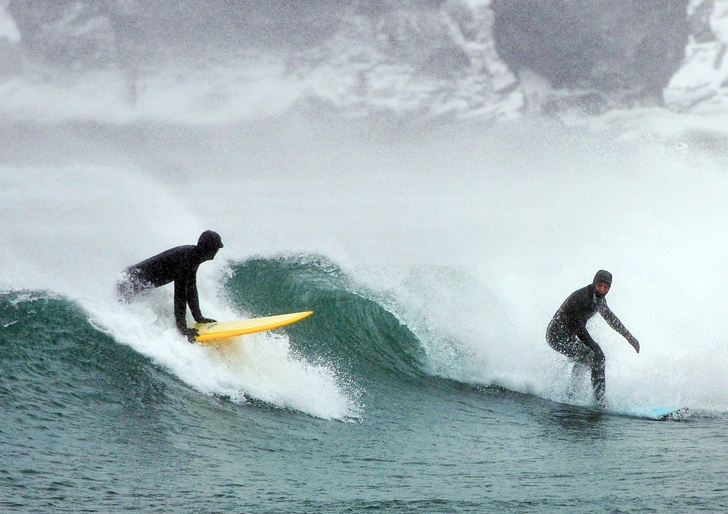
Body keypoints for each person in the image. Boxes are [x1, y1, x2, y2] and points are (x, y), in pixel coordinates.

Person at [546, 270, 639, 406]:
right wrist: (595, 347)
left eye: (605, 287)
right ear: (594, 283)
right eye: (599, 285)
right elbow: (579, 328)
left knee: (593, 356)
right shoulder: (582, 297)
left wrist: (629, 338)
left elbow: (611, 319)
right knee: (593, 354)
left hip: (569, 336)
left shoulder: (599, 299)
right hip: (556, 335)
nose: (602, 289)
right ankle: (593, 399)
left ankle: (582, 395)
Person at [118, 230, 224, 342]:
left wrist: (198, 317)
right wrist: (183, 328)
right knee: (122, 307)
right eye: (216, 247)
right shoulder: (186, 259)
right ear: (208, 248)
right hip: (129, 281)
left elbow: (191, 290)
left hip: (132, 280)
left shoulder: (193, 256)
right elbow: (180, 295)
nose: (217, 250)